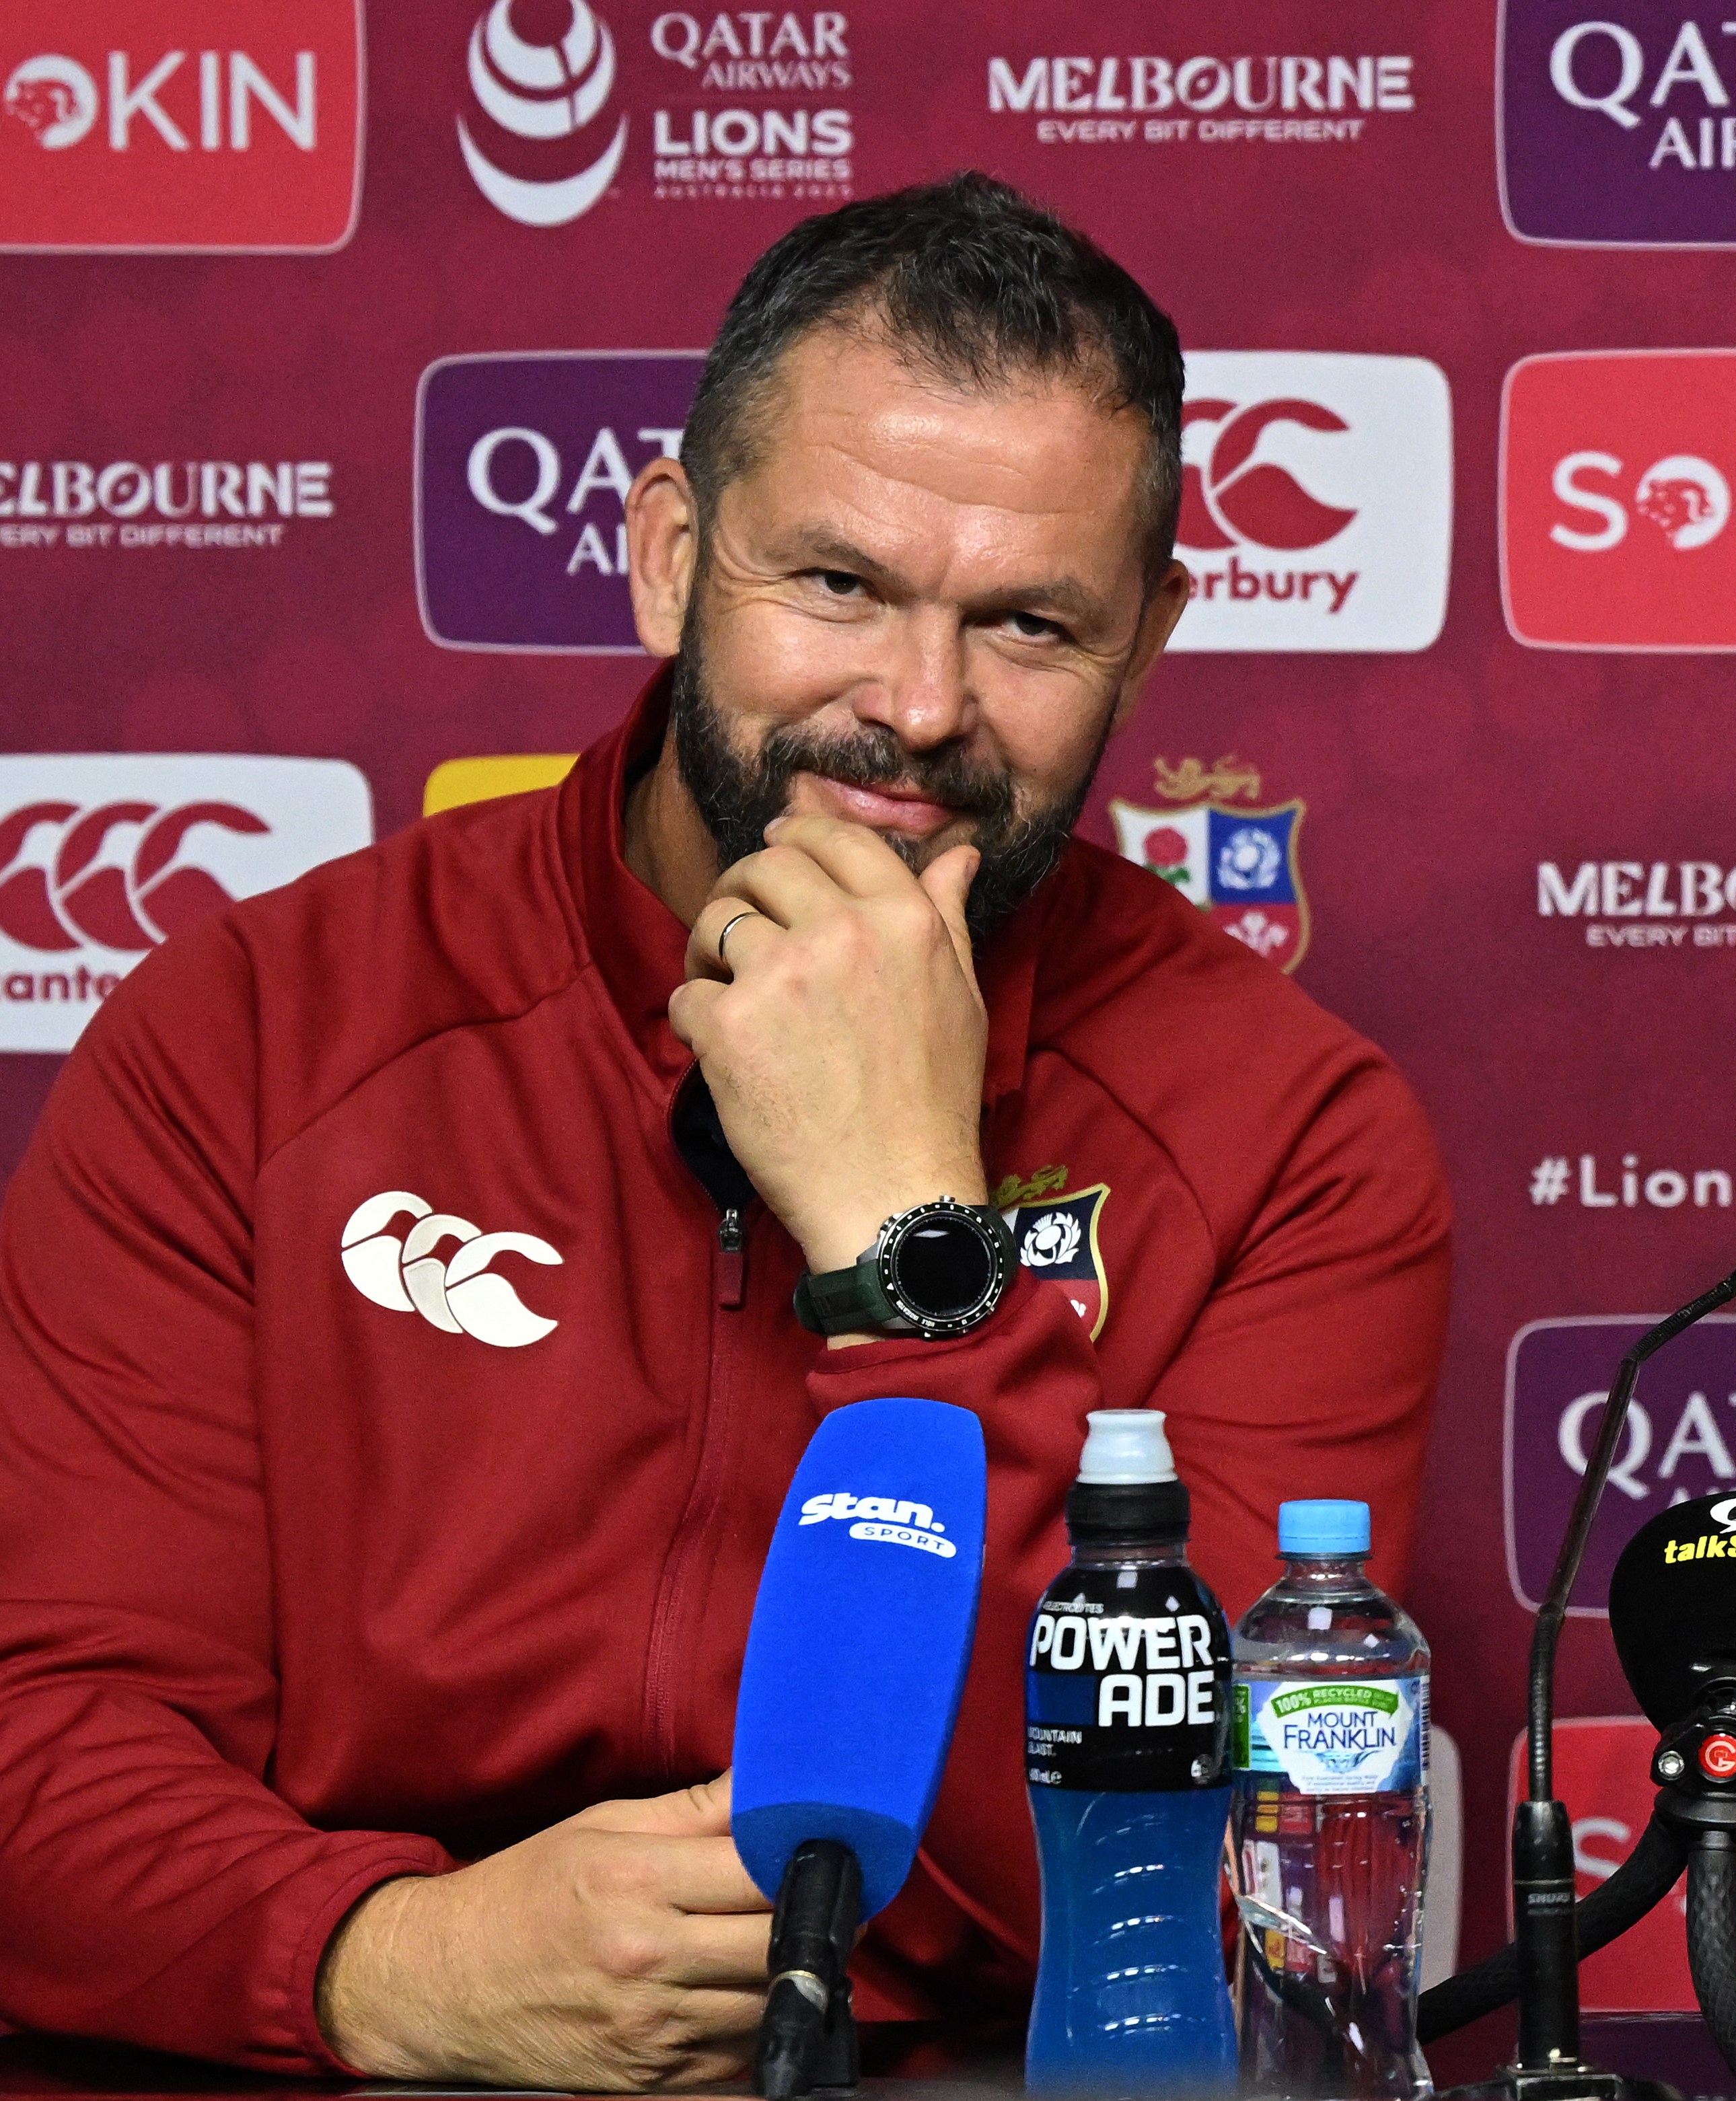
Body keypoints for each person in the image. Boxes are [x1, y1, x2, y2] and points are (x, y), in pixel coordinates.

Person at [0, 176, 1452, 2085]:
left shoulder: (1293, 1142)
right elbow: (44, 1746)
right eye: (839, 584)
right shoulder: (262, 1033)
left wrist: (911, 1243)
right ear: (672, 553)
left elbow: (1199, 1895)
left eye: (1029, 623)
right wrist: (393, 1959)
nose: (917, 709)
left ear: (1149, 638)